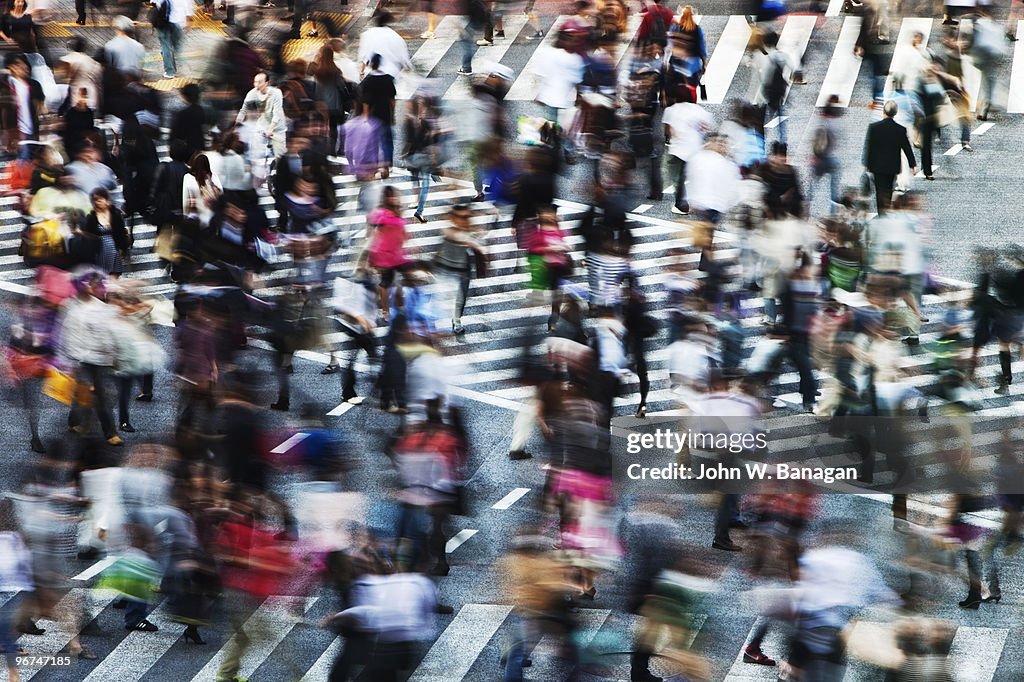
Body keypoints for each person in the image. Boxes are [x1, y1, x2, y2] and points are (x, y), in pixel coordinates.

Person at [57, 269, 123, 446]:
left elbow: (107, 337)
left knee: (98, 394)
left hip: (98, 359)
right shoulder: (69, 306)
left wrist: (112, 356)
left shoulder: (101, 308)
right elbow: (66, 333)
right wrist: (67, 359)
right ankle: (85, 425)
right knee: (85, 392)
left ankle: (106, 431)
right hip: (80, 359)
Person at [662, 86, 714, 215]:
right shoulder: (699, 110)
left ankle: (681, 205)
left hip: (678, 150)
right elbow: (708, 127)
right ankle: (703, 201)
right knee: (696, 176)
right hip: (695, 150)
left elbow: (668, 131)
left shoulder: (671, 110)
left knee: (677, 179)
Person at [862, 99, 917, 214]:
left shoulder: (874, 128)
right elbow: (906, 148)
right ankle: (886, 209)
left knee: (879, 190)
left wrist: (866, 164)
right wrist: (913, 165)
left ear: (884, 111)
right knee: (888, 189)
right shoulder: (900, 130)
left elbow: (869, 146)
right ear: (895, 113)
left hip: (877, 166)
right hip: (892, 166)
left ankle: (881, 212)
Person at [358, 54, 397, 178]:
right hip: (385, 113)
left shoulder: (368, 81)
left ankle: (374, 165)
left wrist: (365, 117)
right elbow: (392, 99)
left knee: (373, 142)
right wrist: (393, 114)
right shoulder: (387, 79)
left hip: (372, 116)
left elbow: (365, 101)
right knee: (387, 141)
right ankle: (386, 165)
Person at [0, 52, 45, 156]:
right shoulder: (4, 85)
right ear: (12, 67)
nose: (25, 67)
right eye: (20, 64)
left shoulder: (34, 85)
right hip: (15, 134)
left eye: (25, 64)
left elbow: (40, 107)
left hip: (32, 133)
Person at [236, 71, 287, 159]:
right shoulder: (252, 93)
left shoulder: (276, 93)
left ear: (266, 83)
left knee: (280, 156)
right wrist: (236, 124)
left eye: (259, 82)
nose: (256, 85)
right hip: (263, 125)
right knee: (256, 154)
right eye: (255, 82)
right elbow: (243, 109)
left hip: (278, 128)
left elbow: (277, 113)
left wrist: (270, 129)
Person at [84, 188, 131, 278]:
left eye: (100, 199)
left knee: (114, 279)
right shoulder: (91, 218)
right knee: (102, 280)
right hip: (100, 252)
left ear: (106, 199)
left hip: (114, 250)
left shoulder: (115, 214)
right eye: (96, 200)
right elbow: (88, 237)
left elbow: (121, 232)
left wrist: (123, 248)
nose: (98, 202)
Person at [357, 10, 411, 80]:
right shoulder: (395, 36)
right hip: (391, 74)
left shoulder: (367, 35)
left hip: (372, 74)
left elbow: (364, 57)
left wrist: (361, 71)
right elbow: (404, 60)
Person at [152, 0, 194, 80]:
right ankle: (180, 69)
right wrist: (189, 22)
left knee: (166, 47)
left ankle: (169, 72)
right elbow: (189, 9)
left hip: (164, 22)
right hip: (179, 23)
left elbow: (155, 3)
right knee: (178, 47)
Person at [182, 153, 223, 229]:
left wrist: (185, 216)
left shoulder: (188, 178)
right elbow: (221, 196)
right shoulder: (213, 177)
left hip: (196, 220)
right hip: (212, 219)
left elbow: (185, 202)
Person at [169, 84, 207, 161]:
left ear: (185, 96)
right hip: (198, 150)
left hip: (184, 150)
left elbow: (174, 134)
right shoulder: (203, 112)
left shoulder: (182, 114)